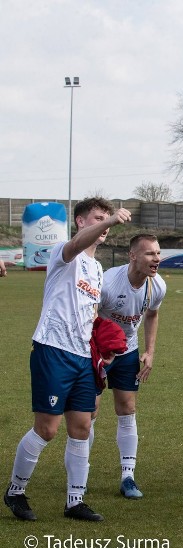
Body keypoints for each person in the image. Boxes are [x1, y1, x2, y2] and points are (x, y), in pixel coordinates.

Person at [4, 197, 131, 522]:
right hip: (52, 350)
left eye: (105, 217)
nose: (103, 223)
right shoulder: (66, 252)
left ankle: (75, 501)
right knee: (47, 429)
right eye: (97, 218)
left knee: (82, 426)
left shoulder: (98, 269)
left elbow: (89, 314)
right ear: (81, 221)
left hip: (82, 357)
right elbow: (76, 244)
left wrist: (102, 345)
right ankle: (15, 492)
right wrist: (111, 220)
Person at [91, 233, 167, 500]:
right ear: (133, 256)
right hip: (98, 351)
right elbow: (88, 316)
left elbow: (152, 315)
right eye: (150, 253)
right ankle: (81, 471)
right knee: (90, 411)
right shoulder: (109, 282)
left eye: (158, 253)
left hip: (128, 350)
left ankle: (128, 476)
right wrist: (100, 350)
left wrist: (149, 351)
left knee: (127, 408)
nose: (156, 258)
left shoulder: (157, 286)